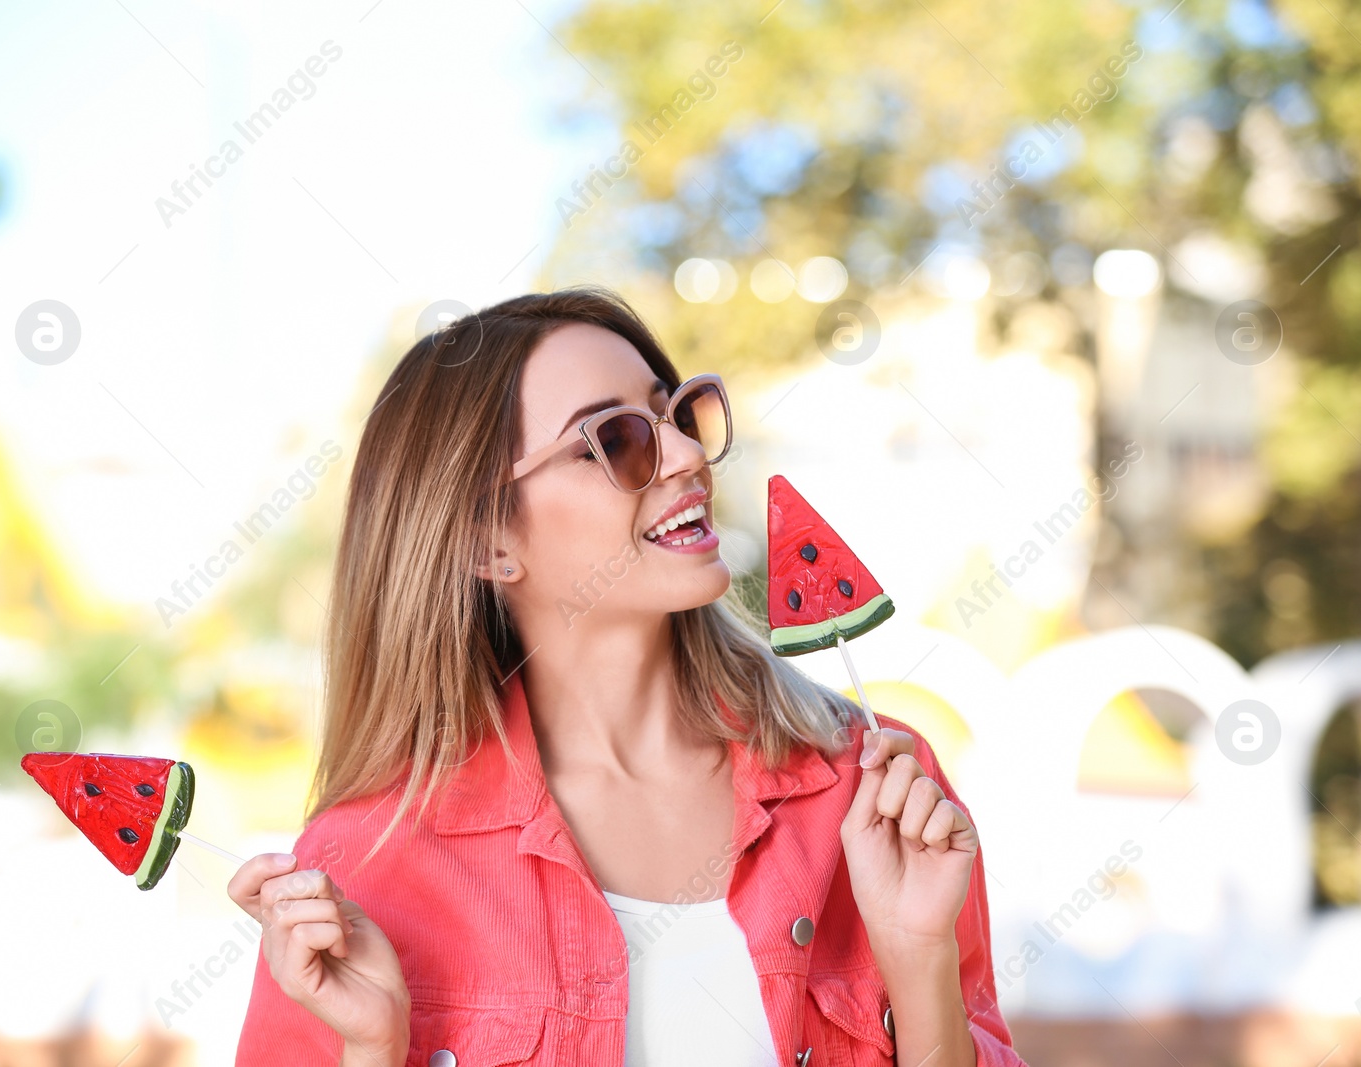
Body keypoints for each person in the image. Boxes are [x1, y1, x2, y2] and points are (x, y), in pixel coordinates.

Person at [229, 287, 1026, 1066]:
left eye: (676, 414)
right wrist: (371, 1048)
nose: (685, 455)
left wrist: (920, 959)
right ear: (487, 542)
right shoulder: (364, 865)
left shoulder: (873, 786)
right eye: (612, 441)